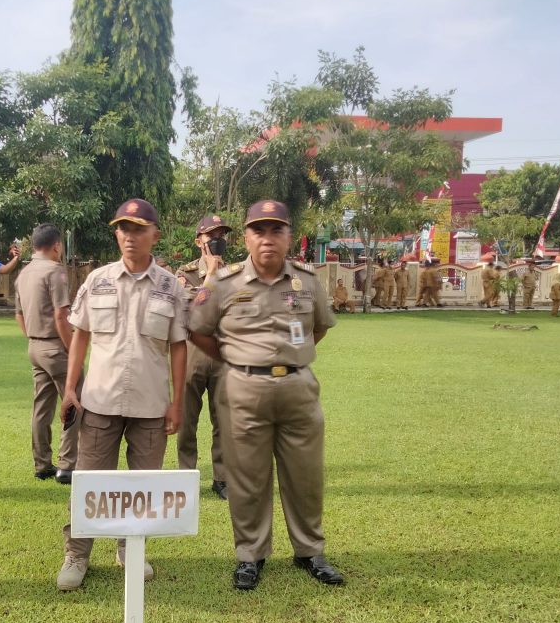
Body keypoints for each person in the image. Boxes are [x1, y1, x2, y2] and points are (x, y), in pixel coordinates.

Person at [189, 199, 344, 591]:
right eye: (259, 230)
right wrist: (237, 359)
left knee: (305, 475)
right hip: (243, 389)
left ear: (289, 236)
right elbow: (200, 332)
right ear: (246, 237)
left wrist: (291, 358)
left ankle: (310, 551)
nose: (267, 238)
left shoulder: (308, 281)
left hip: (298, 389)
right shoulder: (225, 283)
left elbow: (318, 329)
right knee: (247, 477)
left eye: (277, 229)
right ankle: (250, 555)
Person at [56, 198, 187, 591]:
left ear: (154, 235)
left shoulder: (170, 286)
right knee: (90, 483)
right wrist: (69, 389)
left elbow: (179, 345)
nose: (130, 237)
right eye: (123, 229)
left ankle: (131, 549)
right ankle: (77, 554)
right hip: (99, 400)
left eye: (138, 229)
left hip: (150, 404)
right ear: (116, 234)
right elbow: (80, 335)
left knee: (142, 487)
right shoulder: (97, 279)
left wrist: (176, 401)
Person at [14, 223, 79, 485]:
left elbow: (19, 314)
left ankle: (41, 464)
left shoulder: (23, 274)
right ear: (57, 246)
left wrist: (32, 337)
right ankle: (67, 464)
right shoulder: (55, 271)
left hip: (35, 346)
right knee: (74, 400)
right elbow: (61, 315)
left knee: (42, 406)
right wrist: (72, 347)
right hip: (56, 346)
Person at [176, 214, 232, 500]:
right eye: (212, 236)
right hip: (191, 355)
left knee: (224, 421)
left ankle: (222, 478)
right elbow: (193, 310)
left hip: (224, 355)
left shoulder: (236, 275)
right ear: (199, 241)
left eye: (222, 235)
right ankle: (186, 477)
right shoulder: (185, 274)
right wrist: (210, 272)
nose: (218, 241)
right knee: (187, 422)